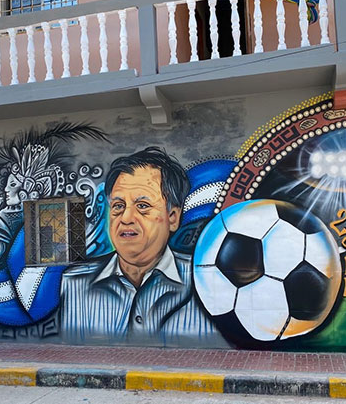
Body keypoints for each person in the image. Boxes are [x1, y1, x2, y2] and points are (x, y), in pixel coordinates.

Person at [58, 147, 223, 346]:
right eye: (118, 206)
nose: (126, 218)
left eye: (142, 206)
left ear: (173, 217)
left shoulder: (207, 282)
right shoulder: (75, 284)